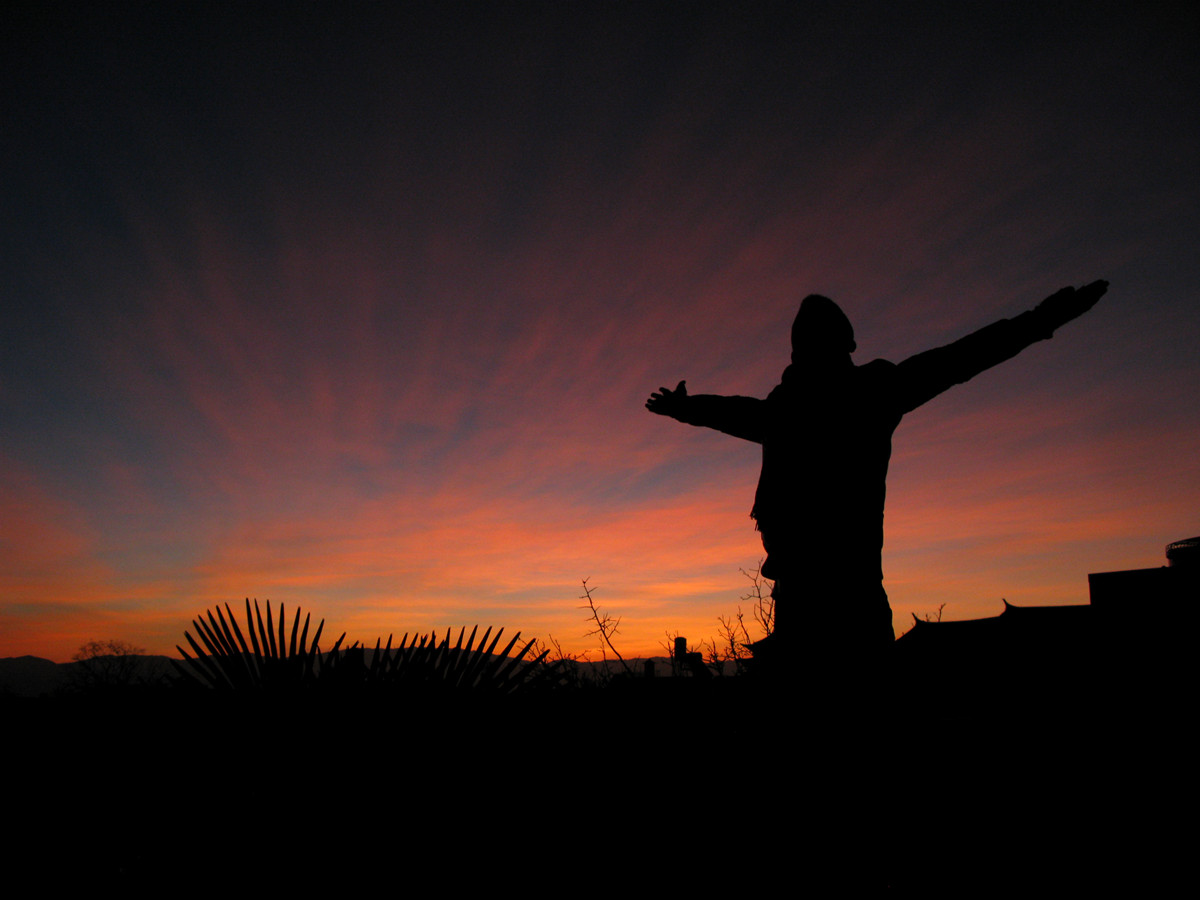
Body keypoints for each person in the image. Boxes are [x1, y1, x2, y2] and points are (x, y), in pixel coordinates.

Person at [646, 281, 1107, 675]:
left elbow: (962, 358)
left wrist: (1042, 319)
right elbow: (734, 412)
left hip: (846, 593)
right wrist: (687, 408)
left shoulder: (855, 395)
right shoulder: (794, 407)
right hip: (806, 593)